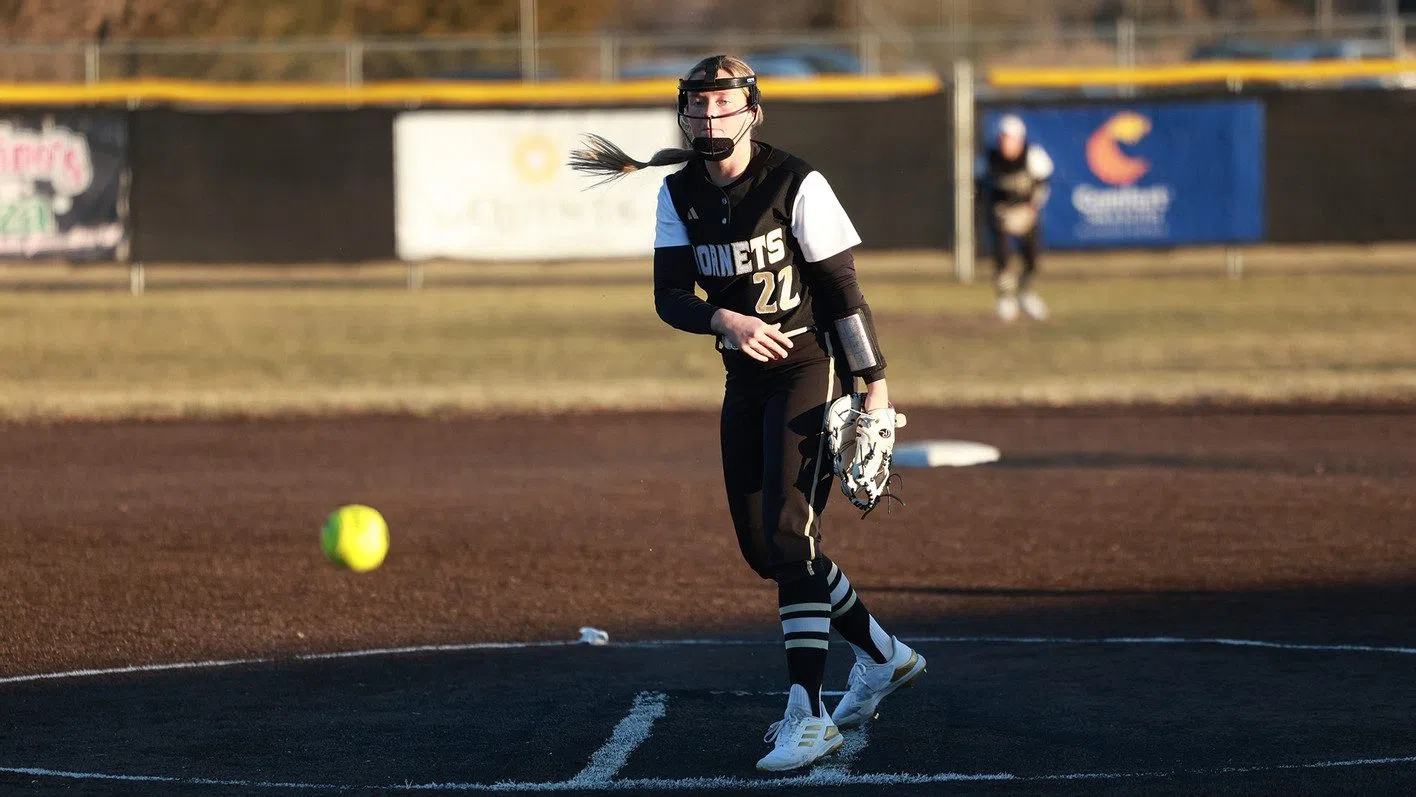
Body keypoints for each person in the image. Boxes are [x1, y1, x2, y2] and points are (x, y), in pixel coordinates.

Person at [569, 54, 926, 773]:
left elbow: (841, 293)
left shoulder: (797, 182)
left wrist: (874, 390)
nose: (709, 119)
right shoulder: (678, 192)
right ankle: (883, 655)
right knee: (764, 549)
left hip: (808, 368)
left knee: (791, 536)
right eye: (697, 107)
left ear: (753, 112)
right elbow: (671, 295)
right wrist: (722, 320)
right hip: (745, 378)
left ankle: (809, 710)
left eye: (723, 106)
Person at [978, 114, 1054, 322]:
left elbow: (1044, 184)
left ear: (1020, 139)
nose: (1006, 143)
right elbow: (981, 188)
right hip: (1001, 215)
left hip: (1026, 214)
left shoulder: (1033, 156)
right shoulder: (989, 159)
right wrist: (993, 211)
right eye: (1003, 138)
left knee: (1032, 258)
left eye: (1010, 138)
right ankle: (1005, 298)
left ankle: (1026, 293)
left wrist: (1031, 208)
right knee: (1002, 256)